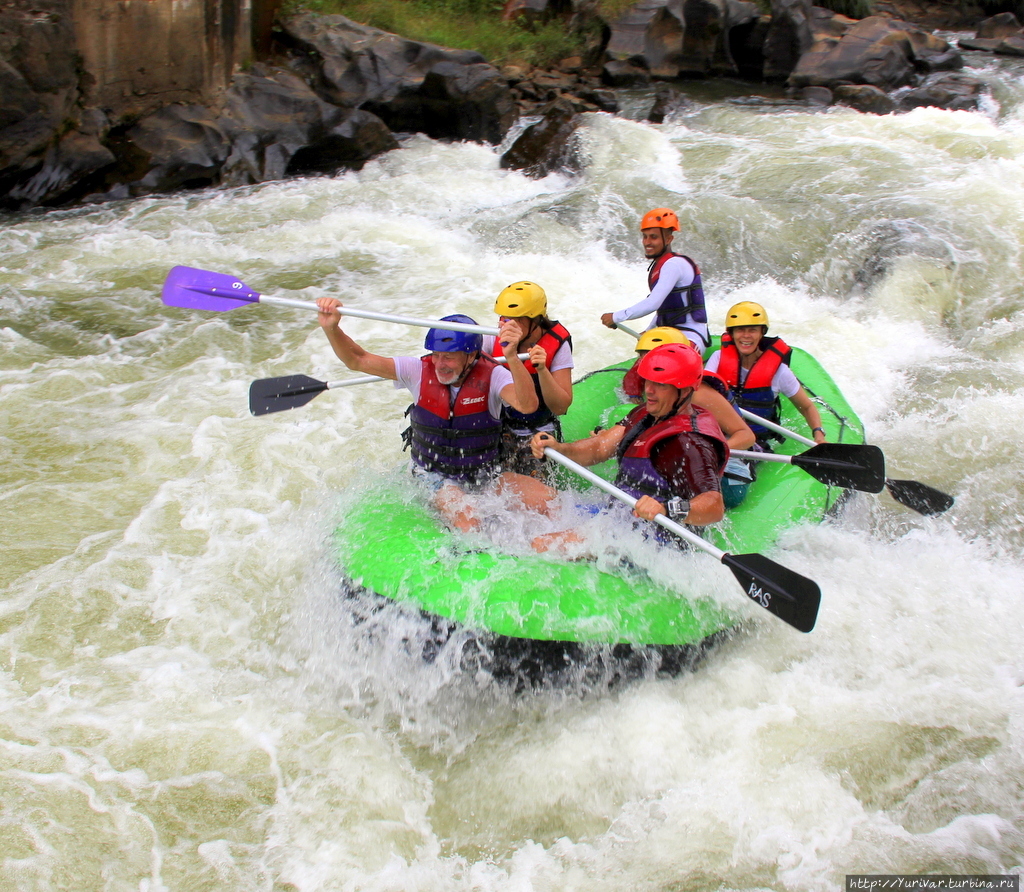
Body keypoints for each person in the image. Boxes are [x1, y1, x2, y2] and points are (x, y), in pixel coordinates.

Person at [315, 297, 539, 531]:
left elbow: (527, 405)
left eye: (449, 356)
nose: (439, 364)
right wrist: (332, 328)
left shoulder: (494, 375)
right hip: (433, 476)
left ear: (471, 356)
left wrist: (512, 356)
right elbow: (357, 359)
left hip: (484, 474)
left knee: (546, 501)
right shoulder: (417, 370)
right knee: (468, 519)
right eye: (436, 354)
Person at [526, 343, 728, 554]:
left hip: (654, 537)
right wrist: (560, 449)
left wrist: (667, 508)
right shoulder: (645, 413)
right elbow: (599, 448)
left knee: (541, 544)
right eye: (648, 381)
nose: (648, 390)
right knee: (517, 484)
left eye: (661, 385)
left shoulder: (691, 443)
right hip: (620, 514)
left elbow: (714, 506)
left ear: (684, 391)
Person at [622, 327, 756, 508]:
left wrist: (707, 455)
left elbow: (746, 436)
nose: (649, 364)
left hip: (729, 476)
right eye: (644, 357)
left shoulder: (697, 394)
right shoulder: (657, 388)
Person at [704, 301, 827, 451]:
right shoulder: (718, 358)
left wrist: (819, 435)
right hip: (717, 433)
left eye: (753, 330)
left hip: (754, 441)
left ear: (762, 333)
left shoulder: (779, 371)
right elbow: (703, 396)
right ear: (731, 333)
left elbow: (807, 407)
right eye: (740, 330)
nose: (746, 336)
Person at [483, 281, 574, 478]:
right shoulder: (492, 339)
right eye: (506, 318)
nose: (510, 325)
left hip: (538, 428)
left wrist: (542, 370)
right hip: (500, 425)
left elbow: (561, 407)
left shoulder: (557, 345)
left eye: (518, 319)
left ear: (537, 320)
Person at [600, 208, 710, 352]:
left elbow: (653, 303)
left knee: (664, 365)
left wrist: (616, 317)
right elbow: (664, 307)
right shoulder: (661, 265)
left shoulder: (674, 264)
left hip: (690, 336)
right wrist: (650, 330)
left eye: (654, 237)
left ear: (669, 239)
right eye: (645, 237)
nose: (647, 242)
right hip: (668, 335)